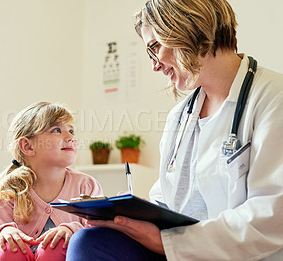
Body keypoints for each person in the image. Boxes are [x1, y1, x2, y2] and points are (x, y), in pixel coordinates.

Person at [66, 0, 283, 260]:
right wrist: (125, 216)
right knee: (90, 241)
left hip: (237, 254)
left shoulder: (273, 98)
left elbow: (272, 218)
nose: (155, 65)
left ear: (186, 27)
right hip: (176, 250)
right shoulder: (179, 118)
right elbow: (166, 200)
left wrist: (167, 243)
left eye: (155, 47)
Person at [0, 102, 103, 261]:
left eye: (71, 131)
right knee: (9, 250)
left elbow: (98, 232)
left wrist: (71, 229)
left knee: (59, 246)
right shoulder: (11, 189)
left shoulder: (86, 185)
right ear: (27, 146)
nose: (70, 137)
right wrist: (3, 233)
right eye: (57, 130)